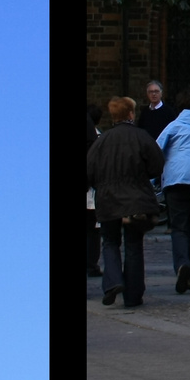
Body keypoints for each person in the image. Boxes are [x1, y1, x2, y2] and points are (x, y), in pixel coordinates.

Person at [86, 96, 164, 308]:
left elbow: (89, 172)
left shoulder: (101, 141)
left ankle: (112, 282)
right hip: (135, 200)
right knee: (133, 245)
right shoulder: (141, 137)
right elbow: (157, 165)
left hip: (108, 200)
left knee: (110, 243)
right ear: (131, 114)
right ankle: (133, 296)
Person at [155, 89, 190, 294]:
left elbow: (156, 151)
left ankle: (181, 264)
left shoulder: (174, 126)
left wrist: (154, 180)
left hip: (176, 179)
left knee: (178, 227)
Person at [86, 103, 104, 278]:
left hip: (91, 192)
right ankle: (91, 265)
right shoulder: (98, 139)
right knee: (93, 231)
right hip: (92, 191)